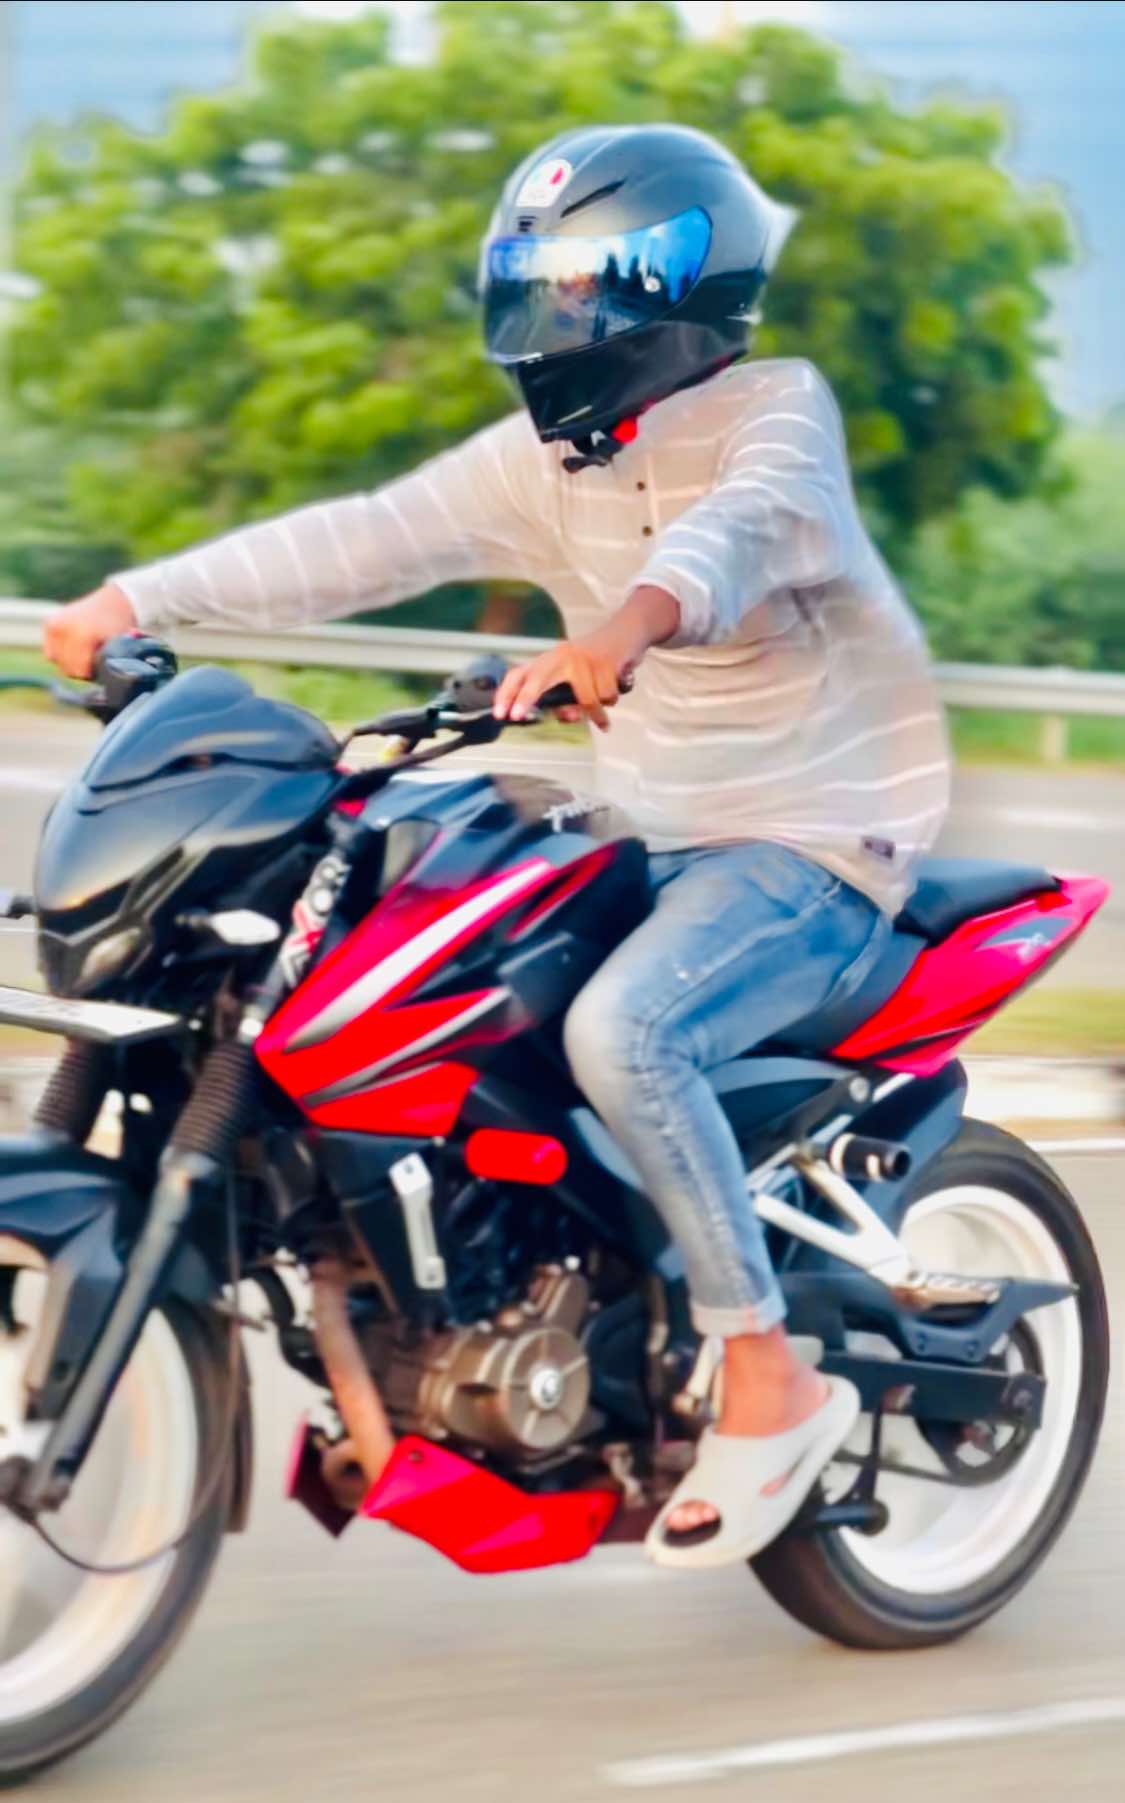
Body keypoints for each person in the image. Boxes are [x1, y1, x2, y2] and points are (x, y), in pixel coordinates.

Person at [44, 124, 950, 1568]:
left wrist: (616, 635)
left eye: (583, 280)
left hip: (809, 842)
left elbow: (726, 542)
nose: (554, 312)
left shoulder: (777, 415)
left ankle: (766, 1366)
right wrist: (133, 598)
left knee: (623, 1032)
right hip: (654, 828)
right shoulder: (547, 462)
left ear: (675, 285)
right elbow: (360, 540)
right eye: (535, 278)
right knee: (428, 970)